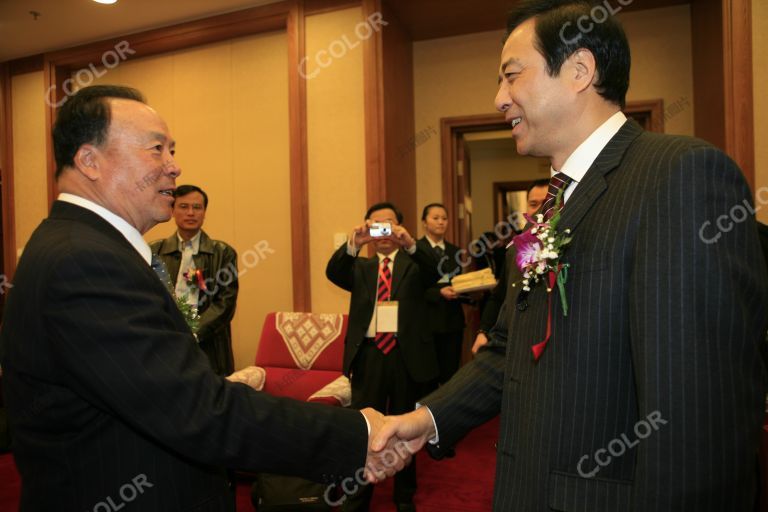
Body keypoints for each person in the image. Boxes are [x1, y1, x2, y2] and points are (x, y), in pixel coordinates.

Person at [371, 2, 768, 510]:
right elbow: (510, 349)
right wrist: (426, 420)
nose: (498, 98)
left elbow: (698, 421)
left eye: (511, 76)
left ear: (580, 71)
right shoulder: (555, 204)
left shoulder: (678, 177)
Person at [0, 85, 408, 512]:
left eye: (172, 150)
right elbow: (196, 411)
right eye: (157, 149)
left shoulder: (80, 245)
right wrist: (357, 435)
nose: (174, 167)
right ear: (89, 161)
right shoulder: (83, 261)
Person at [326, 202, 437, 512]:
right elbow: (332, 272)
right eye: (377, 225)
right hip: (370, 355)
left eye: (389, 224)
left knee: (406, 426)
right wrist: (354, 243)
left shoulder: (414, 263)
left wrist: (411, 244)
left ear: (400, 227)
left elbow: (439, 270)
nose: (383, 231)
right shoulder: (360, 267)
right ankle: (359, 495)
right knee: (364, 428)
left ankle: (404, 496)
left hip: (406, 357)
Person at [150, 184, 238, 376]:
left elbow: (225, 304)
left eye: (197, 207)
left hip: (209, 343)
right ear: (172, 210)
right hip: (167, 341)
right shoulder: (154, 251)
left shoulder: (223, 253)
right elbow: (149, 297)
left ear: (204, 212)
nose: (191, 213)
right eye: (183, 206)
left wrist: (192, 332)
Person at [471, 178, 549, 354]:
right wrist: (483, 331)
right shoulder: (514, 249)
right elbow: (499, 295)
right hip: (515, 339)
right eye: (533, 204)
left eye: (545, 203)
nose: (538, 210)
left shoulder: (564, 244)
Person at [414, 203, 465, 387]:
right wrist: (438, 292)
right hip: (426, 319)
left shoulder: (455, 251)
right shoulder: (415, 249)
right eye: (435, 218)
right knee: (427, 372)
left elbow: (458, 280)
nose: (441, 222)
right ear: (424, 222)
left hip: (452, 319)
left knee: (450, 371)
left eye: (444, 218)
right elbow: (412, 286)